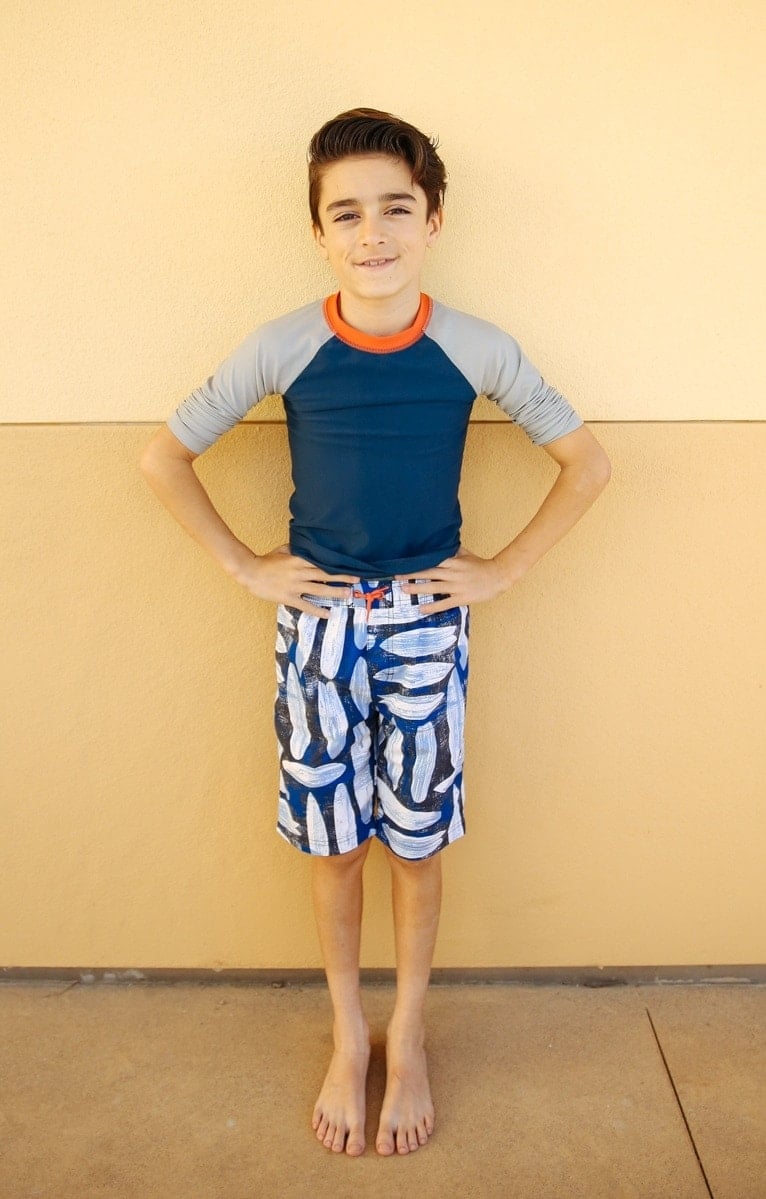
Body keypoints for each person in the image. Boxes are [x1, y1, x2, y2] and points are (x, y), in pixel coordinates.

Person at [140, 107, 611, 1158]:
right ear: (319, 230)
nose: (373, 234)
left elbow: (587, 464)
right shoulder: (285, 343)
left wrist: (504, 566)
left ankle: (407, 1033)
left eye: (395, 207)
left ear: (432, 217)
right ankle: (347, 1031)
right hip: (316, 632)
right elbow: (164, 458)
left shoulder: (473, 345)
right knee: (335, 843)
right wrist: (243, 562)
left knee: (415, 842)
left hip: (424, 629)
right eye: (345, 213)